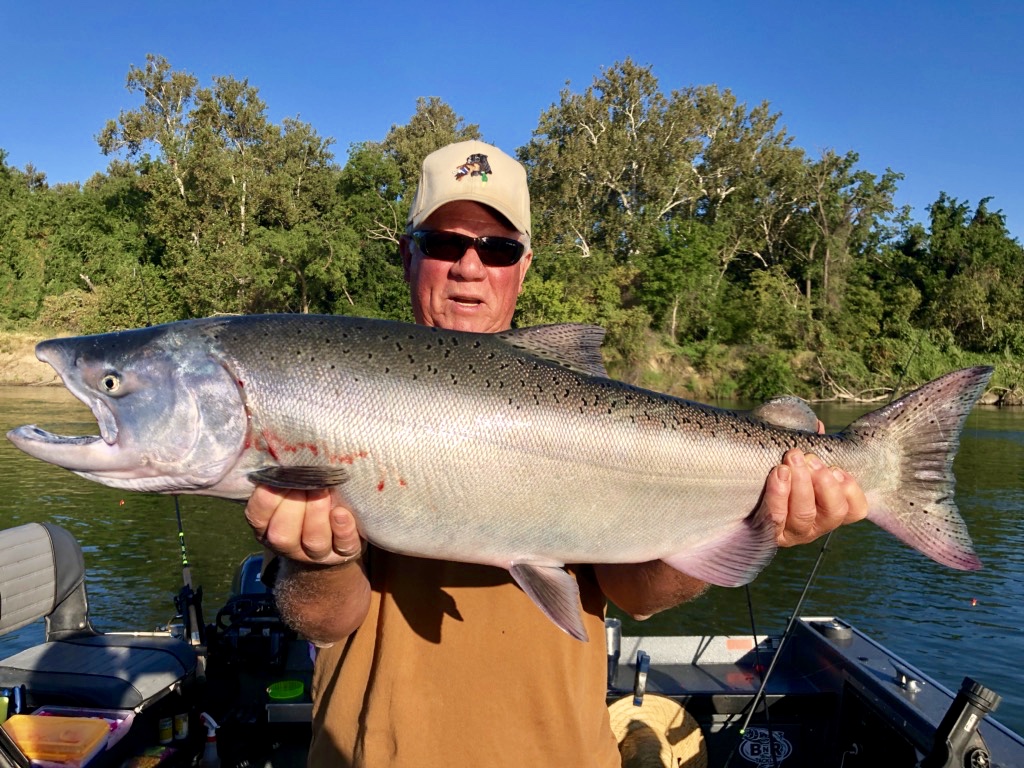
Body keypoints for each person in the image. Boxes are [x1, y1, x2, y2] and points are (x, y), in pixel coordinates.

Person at [245, 140, 868, 767]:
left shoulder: (586, 414)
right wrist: (319, 562)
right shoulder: (330, 392)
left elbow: (639, 591)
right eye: (444, 244)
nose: (469, 266)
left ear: (523, 265)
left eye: (497, 248)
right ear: (409, 256)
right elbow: (324, 623)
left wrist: (759, 518)